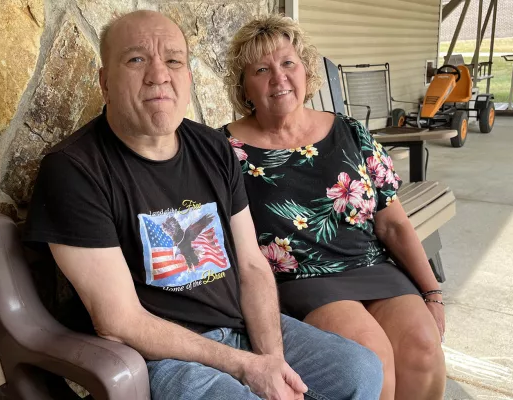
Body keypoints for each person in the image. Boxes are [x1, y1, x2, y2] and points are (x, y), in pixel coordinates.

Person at [23, 10, 383, 400]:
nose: (159, 74)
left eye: (173, 60)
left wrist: (272, 361)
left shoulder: (213, 148)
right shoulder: (75, 169)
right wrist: (245, 366)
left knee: (360, 372)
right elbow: (120, 322)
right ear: (105, 81)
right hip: (161, 356)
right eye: (136, 59)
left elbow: (250, 264)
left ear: (188, 76)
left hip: (240, 325)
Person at [220, 16, 446, 400]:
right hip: (303, 280)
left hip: (372, 266)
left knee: (424, 346)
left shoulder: (350, 131)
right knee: (372, 357)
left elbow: (392, 223)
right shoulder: (225, 150)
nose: (279, 77)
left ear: (306, 69)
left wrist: (433, 293)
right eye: (261, 69)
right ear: (245, 88)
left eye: (288, 63)